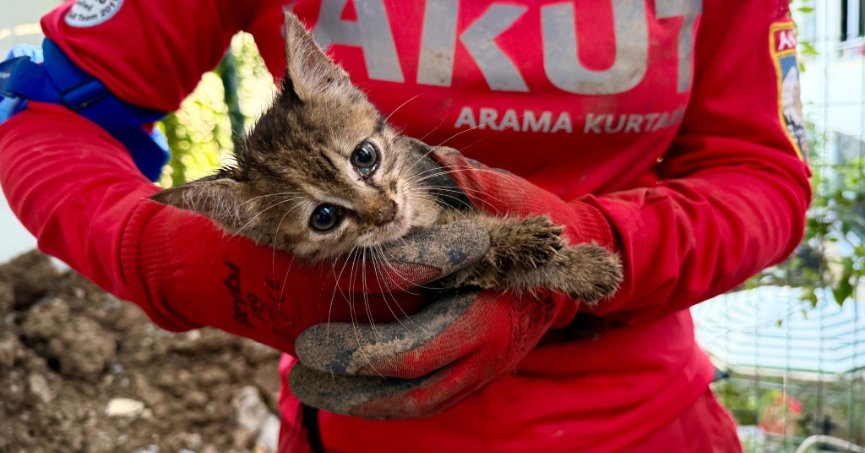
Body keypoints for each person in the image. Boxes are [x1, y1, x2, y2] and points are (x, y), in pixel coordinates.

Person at [0, 0, 811, 452]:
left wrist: (581, 257)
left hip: (639, 419)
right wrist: (181, 259)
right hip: (359, 414)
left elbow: (762, 179)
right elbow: (48, 113)